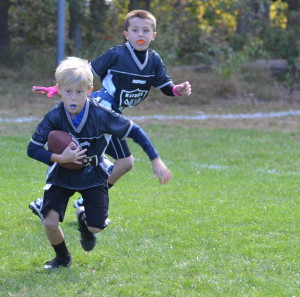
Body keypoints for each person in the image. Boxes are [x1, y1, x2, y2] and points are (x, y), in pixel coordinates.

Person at [29, 9, 191, 218]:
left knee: (96, 160)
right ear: (126, 33)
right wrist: (56, 88)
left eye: (145, 30)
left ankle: (58, 201)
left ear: (153, 35)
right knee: (112, 161)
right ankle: (66, 202)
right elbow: (83, 73)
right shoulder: (116, 54)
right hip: (101, 111)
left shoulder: (153, 60)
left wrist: (178, 89)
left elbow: (166, 86)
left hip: (112, 113)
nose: (140, 34)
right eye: (135, 30)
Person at [27, 56, 172, 269]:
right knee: (49, 222)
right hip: (62, 174)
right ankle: (62, 258)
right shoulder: (55, 116)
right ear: (59, 90)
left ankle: (84, 220)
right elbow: (32, 148)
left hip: (94, 174)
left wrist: (156, 159)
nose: (73, 97)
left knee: (96, 227)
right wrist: (60, 158)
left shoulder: (102, 115)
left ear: (89, 90)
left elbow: (135, 131)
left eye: (79, 91)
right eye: (68, 91)